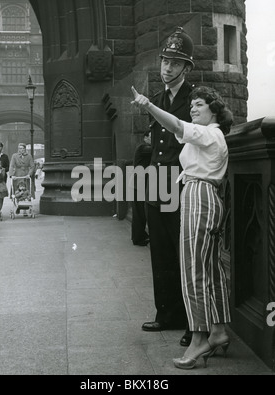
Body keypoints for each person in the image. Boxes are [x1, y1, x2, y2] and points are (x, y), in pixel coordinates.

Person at [131, 85, 233, 370]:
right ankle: (220, 330)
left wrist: (148, 105)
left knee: (193, 271)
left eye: (199, 104)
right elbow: (179, 130)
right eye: (191, 105)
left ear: (214, 109)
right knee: (212, 270)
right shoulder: (210, 136)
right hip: (205, 197)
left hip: (199, 197)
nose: (193, 109)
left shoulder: (209, 133)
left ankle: (199, 337)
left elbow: (175, 124)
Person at [138, 27, 195, 347]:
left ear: (186, 68)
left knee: (183, 253)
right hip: (156, 184)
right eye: (164, 61)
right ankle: (167, 313)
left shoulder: (194, 99)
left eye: (175, 63)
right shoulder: (156, 99)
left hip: (181, 183)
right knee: (159, 252)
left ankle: (191, 320)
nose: (167, 68)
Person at [131, 131, 152, 246]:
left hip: (138, 184)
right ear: (145, 138)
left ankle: (138, 236)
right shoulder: (143, 148)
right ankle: (138, 238)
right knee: (139, 213)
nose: (152, 140)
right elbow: (154, 150)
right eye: (151, 137)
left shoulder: (142, 148)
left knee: (139, 212)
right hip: (138, 185)